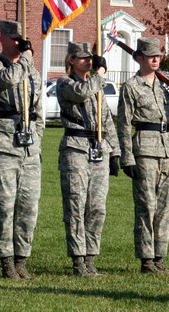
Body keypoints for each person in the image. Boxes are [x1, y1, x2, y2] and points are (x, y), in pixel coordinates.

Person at [117, 37, 169, 274]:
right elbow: (123, 125)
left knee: (165, 208)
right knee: (146, 207)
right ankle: (146, 260)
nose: (155, 59)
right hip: (144, 151)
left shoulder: (164, 87)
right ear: (139, 58)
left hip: (167, 150)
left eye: (158, 56)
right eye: (150, 55)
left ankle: (159, 257)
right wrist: (127, 158)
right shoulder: (131, 87)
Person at [0, 20, 43, 280]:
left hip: (28, 147)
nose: (20, 43)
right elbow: (9, 79)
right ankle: (6, 260)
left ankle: (21, 258)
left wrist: (37, 138)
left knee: (28, 206)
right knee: (5, 205)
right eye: (15, 38)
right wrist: (25, 60)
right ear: (3, 38)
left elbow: (38, 109)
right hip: (2, 143)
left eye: (22, 39)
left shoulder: (33, 72)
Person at [56, 41, 121, 277]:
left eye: (90, 58)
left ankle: (91, 258)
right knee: (76, 205)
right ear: (72, 60)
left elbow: (107, 121)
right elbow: (81, 93)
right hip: (75, 148)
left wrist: (115, 152)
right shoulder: (65, 83)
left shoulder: (97, 86)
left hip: (98, 149)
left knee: (97, 207)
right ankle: (78, 260)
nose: (88, 61)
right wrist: (101, 74)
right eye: (82, 58)